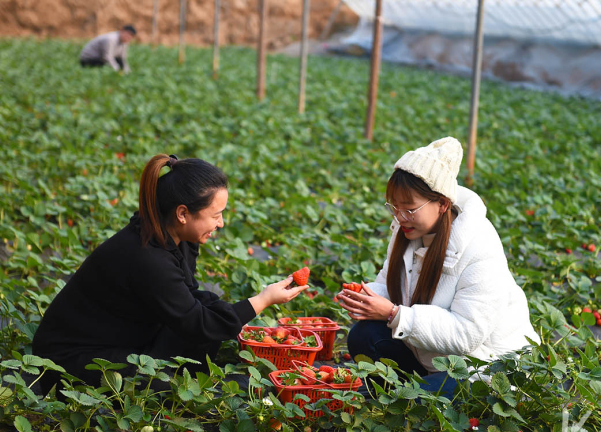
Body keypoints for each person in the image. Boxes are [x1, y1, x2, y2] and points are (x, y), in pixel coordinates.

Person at [33, 154, 307, 393]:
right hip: (71, 359)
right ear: (183, 213)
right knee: (166, 382)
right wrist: (262, 300)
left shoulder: (178, 238)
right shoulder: (148, 257)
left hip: (126, 333)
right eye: (215, 215)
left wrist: (225, 314)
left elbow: (187, 299)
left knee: (207, 330)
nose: (221, 223)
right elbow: (196, 321)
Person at [338, 137, 540, 392]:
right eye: (395, 207)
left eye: (409, 209)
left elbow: (467, 333)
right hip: (431, 356)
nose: (400, 218)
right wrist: (366, 296)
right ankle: (411, 391)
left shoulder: (479, 246)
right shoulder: (407, 229)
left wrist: (393, 314)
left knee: (423, 397)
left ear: (443, 203)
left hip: (485, 365)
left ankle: (411, 392)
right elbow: (392, 287)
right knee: (363, 336)